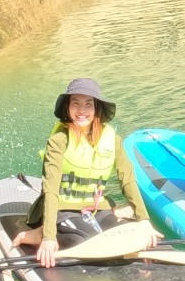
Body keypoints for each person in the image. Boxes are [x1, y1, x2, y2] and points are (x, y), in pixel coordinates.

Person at [12, 78, 160, 267]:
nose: (81, 110)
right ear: (67, 107)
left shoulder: (112, 139)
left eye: (88, 104)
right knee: (88, 243)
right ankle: (38, 234)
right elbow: (51, 189)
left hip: (97, 209)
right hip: (63, 209)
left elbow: (127, 180)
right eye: (75, 103)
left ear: (96, 108)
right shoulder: (59, 139)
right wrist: (49, 236)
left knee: (134, 236)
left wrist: (143, 220)